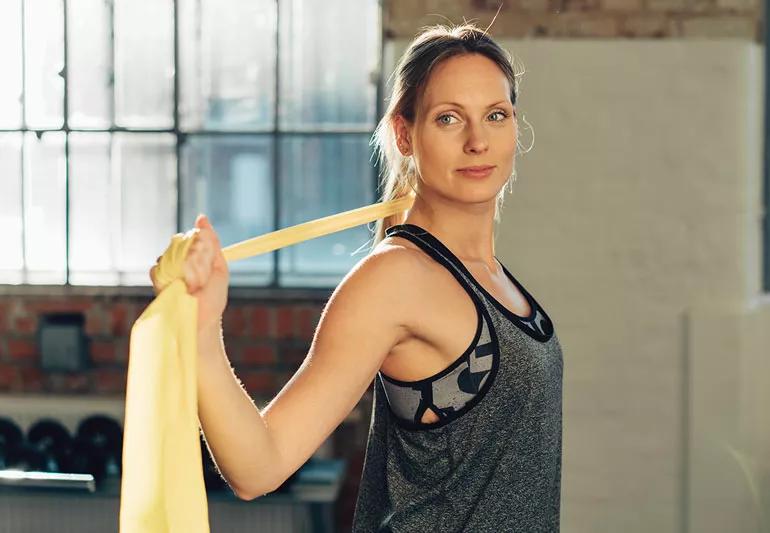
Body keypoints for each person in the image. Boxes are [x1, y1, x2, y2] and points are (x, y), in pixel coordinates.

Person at [152, 22, 564, 533]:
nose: (478, 141)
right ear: (405, 134)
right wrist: (201, 328)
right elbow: (258, 467)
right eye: (449, 118)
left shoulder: (493, 279)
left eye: (495, 115)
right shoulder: (394, 278)